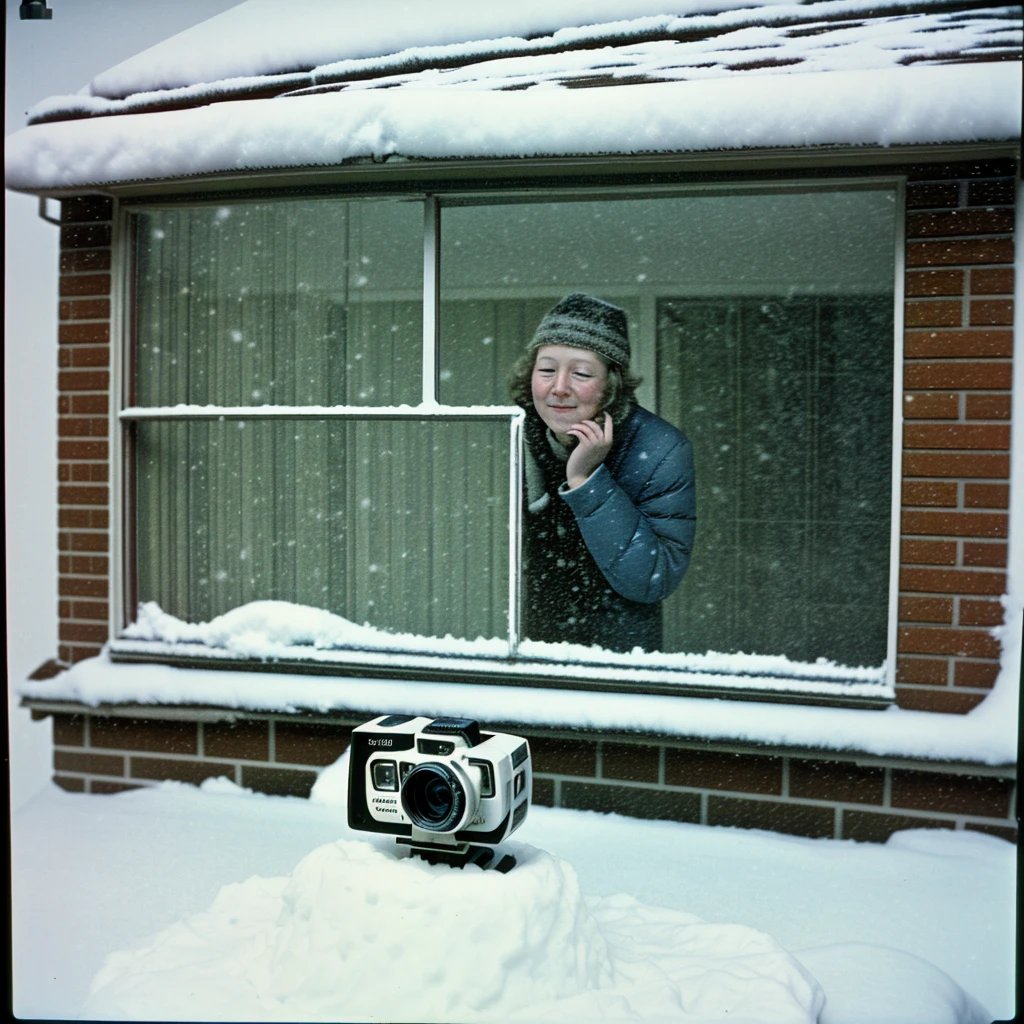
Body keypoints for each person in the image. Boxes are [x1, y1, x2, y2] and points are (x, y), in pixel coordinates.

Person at [508, 293, 696, 653]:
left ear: (611, 384)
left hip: (618, 661)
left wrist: (586, 481)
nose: (559, 387)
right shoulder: (514, 434)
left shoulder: (661, 448)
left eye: (581, 373)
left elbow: (652, 579)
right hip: (530, 647)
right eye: (546, 369)